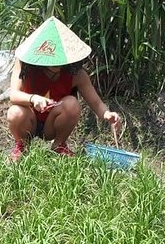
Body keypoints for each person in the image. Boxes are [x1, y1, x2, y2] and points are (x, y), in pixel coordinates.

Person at [7, 16, 122, 161]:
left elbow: (97, 103)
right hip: (29, 119)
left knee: (72, 103)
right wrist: (33, 98)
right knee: (15, 112)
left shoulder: (77, 75)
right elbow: (14, 95)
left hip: (52, 123)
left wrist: (107, 114)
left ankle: (59, 145)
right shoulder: (24, 65)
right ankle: (22, 146)